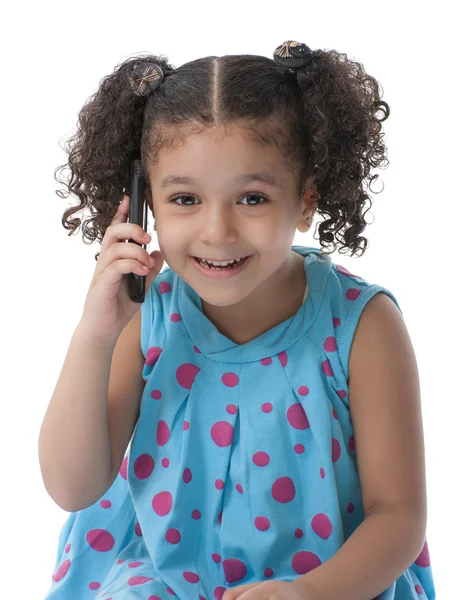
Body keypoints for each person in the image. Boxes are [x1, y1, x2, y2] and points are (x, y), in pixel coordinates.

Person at [39, 41, 436, 600]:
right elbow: (72, 485)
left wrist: (309, 593)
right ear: (145, 202)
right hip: (166, 577)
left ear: (305, 200)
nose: (218, 231)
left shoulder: (361, 326)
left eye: (251, 198)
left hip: (330, 581)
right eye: (184, 199)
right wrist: (95, 335)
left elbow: (398, 517)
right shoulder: (148, 314)